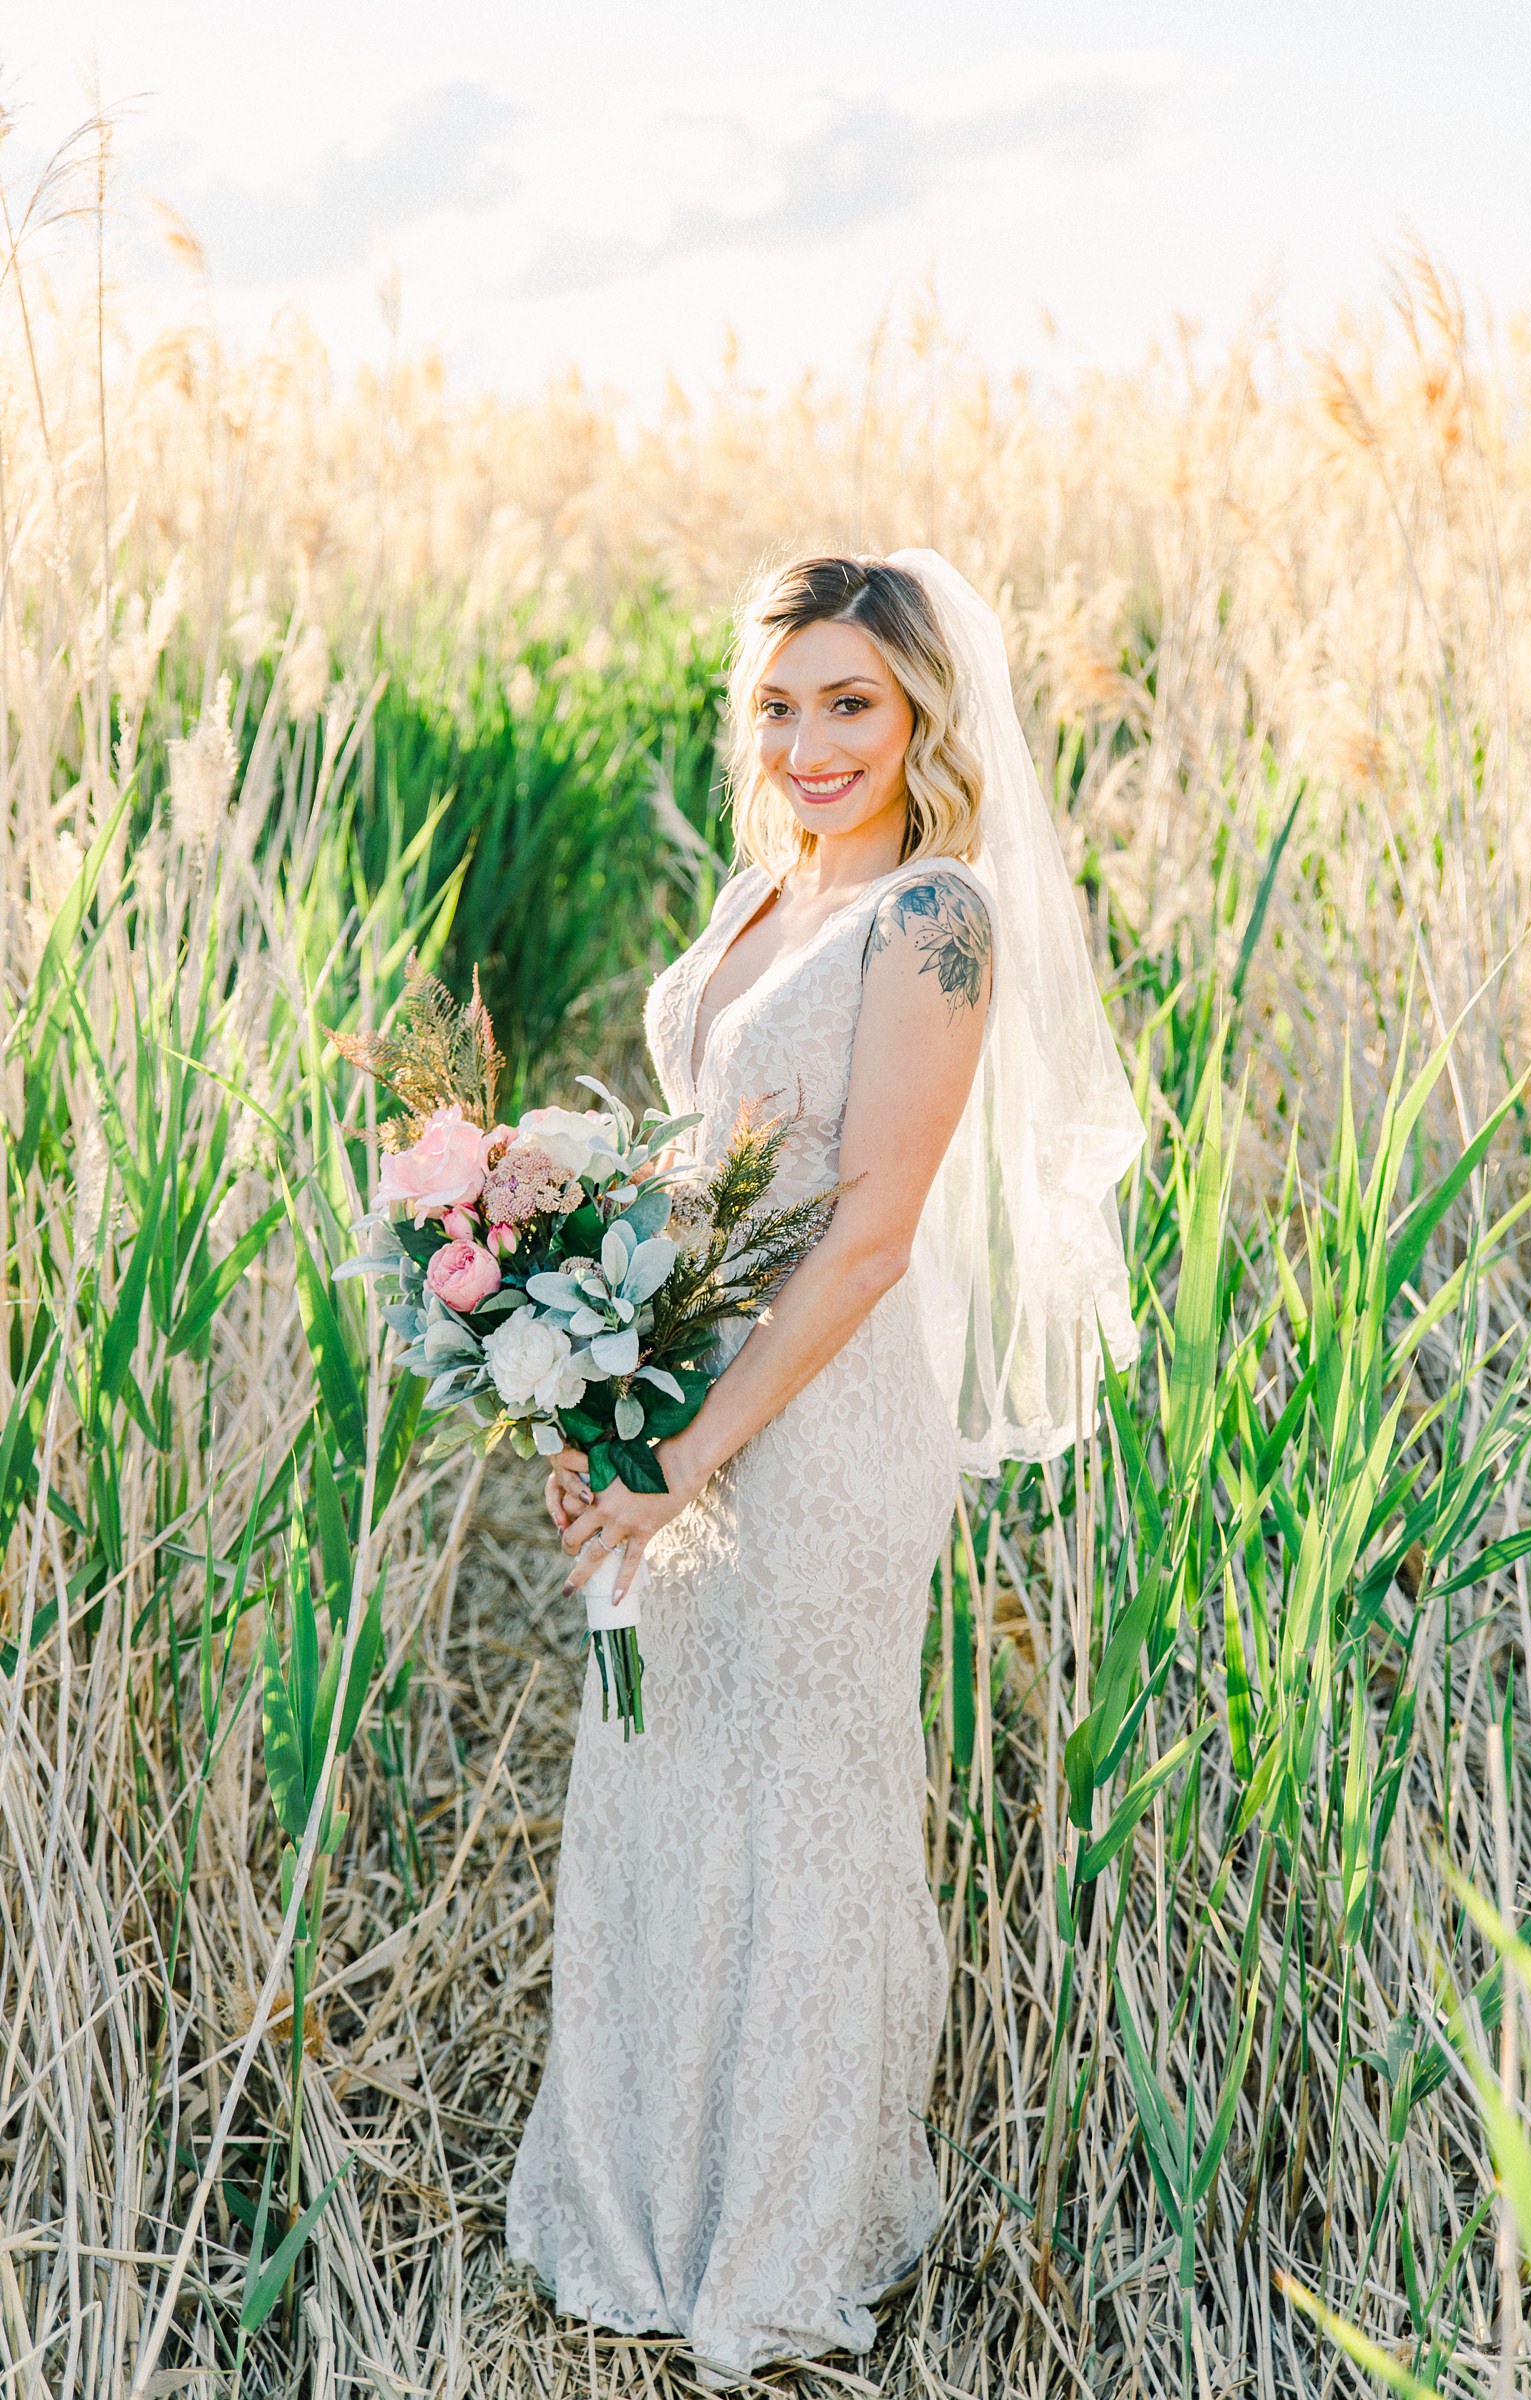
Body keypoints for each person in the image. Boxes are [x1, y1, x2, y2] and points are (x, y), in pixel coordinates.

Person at [504, 550, 1144, 2387]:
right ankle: (644, 2208)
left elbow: (866, 1233)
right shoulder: (761, 897)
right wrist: (601, 1392)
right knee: (664, 1780)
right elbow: (708, 1178)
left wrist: (697, 1446)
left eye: (850, 702)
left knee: (801, 1804)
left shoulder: (936, 918)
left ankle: (777, 2241)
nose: (806, 741)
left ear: (923, 713)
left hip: (829, 1423)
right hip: (696, 1399)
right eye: (777, 703)